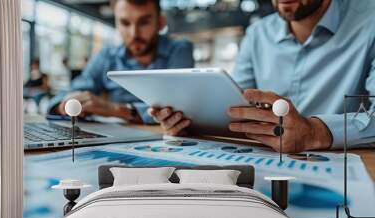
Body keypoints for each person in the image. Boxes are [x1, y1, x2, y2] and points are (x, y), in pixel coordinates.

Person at [150, 0, 375, 152]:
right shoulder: (258, 33)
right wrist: (191, 123)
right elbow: (234, 108)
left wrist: (314, 132)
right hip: (268, 161)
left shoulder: (369, 22)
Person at [48, 0, 194, 123]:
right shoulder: (106, 56)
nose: (134, 33)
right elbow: (62, 97)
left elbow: (179, 109)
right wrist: (66, 104)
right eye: (125, 23)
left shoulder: (180, 50)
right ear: (116, 24)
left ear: (160, 22)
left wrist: (117, 110)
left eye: (144, 22)